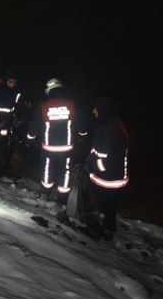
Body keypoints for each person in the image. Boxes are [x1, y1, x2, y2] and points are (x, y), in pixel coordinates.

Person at [26, 78, 88, 203]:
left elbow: (35, 125)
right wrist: (82, 135)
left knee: (47, 171)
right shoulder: (72, 105)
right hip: (67, 148)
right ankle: (62, 199)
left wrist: (30, 138)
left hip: (49, 148)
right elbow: (82, 124)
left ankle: (45, 193)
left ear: (48, 90)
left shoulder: (43, 106)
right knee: (65, 172)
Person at [82, 96, 129, 241]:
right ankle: (99, 229)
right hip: (103, 176)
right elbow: (97, 149)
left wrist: (93, 166)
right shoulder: (104, 124)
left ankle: (105, 232)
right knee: (102, 205)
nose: (93, 111)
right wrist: (87, 162)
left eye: (96, 108)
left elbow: (113, 159)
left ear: (103, 109)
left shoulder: (113, 129)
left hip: (111, 178)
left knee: (108, 206)